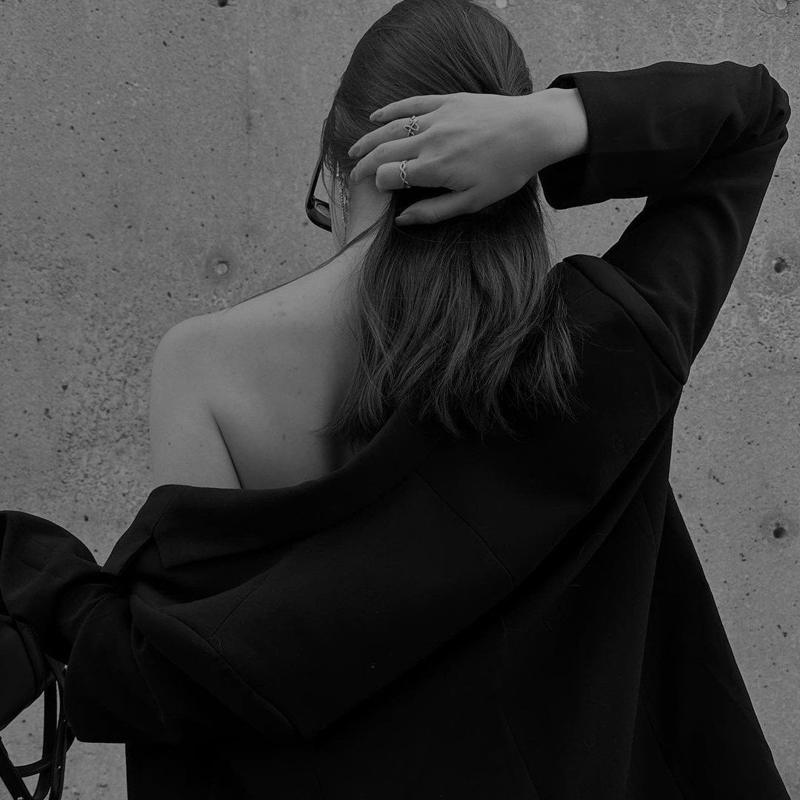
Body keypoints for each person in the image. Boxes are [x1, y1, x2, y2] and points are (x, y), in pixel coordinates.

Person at [0, 0, 793, 797]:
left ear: (338, 156)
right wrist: (558, 122)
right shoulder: (598, 350)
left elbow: (201, 675)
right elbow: (752, 118)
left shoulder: (207, 368)